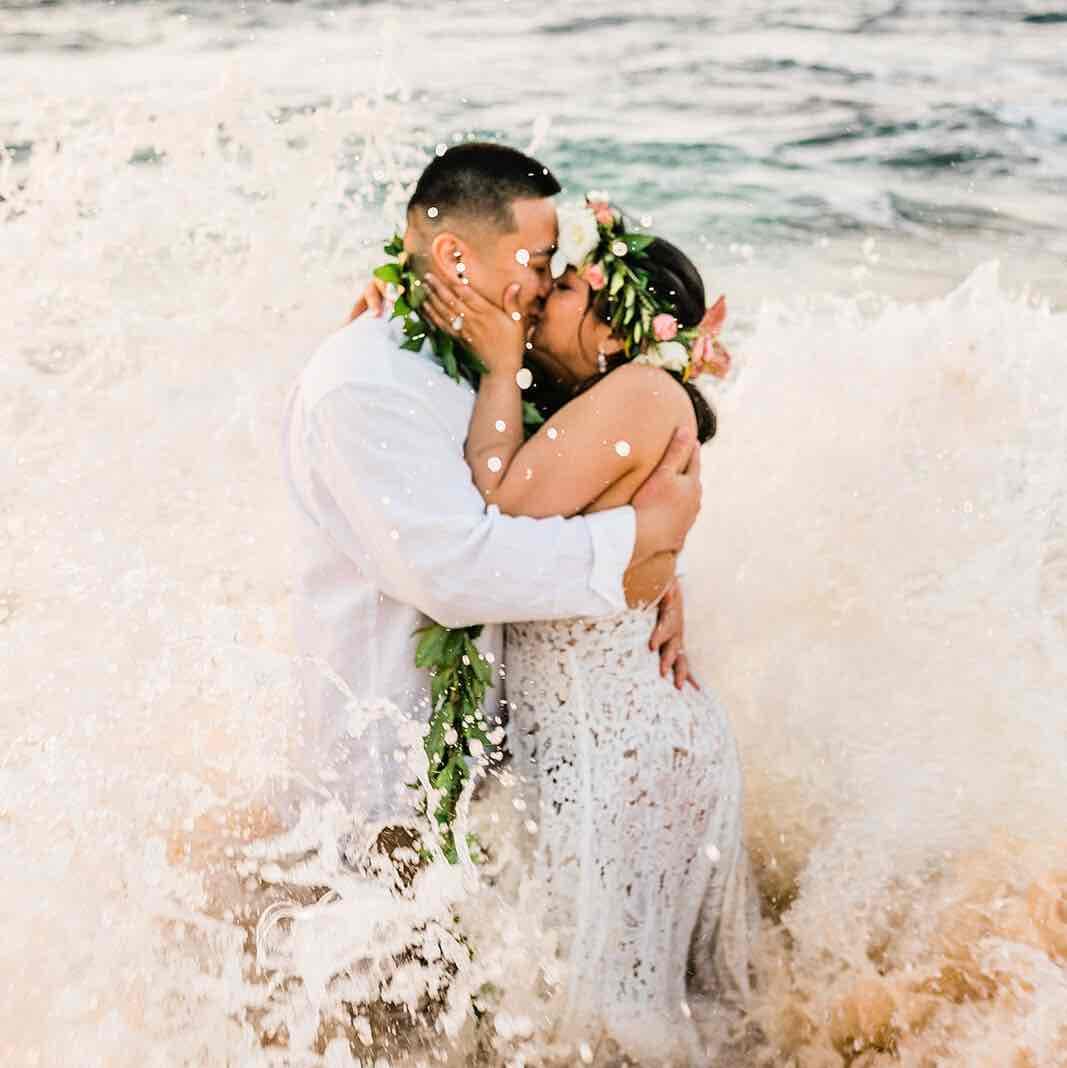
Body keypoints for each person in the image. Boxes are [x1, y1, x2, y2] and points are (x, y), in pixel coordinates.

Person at [410, 198, 758, 1064]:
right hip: (618, 735)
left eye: (564, 287)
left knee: (612, 1013)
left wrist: (496, 366)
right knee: (624, 997)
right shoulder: (625, 398)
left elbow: (507, 504)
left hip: (622, 747)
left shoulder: (639, 389)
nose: (540, 296)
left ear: (613, 331)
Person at [281, 144, 701, 856]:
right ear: (455, 257)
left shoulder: (492, 357)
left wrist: (654, 573)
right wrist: (634, 548)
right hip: (387, 772)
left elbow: (577, 467)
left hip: (494, 760)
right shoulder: (366, 384)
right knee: (386, 963)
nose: (546, 283)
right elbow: (455, 574)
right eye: (537, 262)